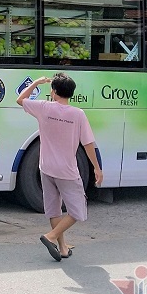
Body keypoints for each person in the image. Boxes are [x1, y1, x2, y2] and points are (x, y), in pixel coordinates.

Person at [17, 73, 103, 262]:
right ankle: (51, 237)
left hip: (46, 168)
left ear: (53, 91)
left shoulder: (43, 108)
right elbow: (88, 143)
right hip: (67, 171)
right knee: (78, 211)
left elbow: (20, 99)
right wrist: (97, 168)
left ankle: (63, 248)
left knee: (54, 209)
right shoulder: (77, 114)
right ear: (71, 93)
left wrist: (36, 82)